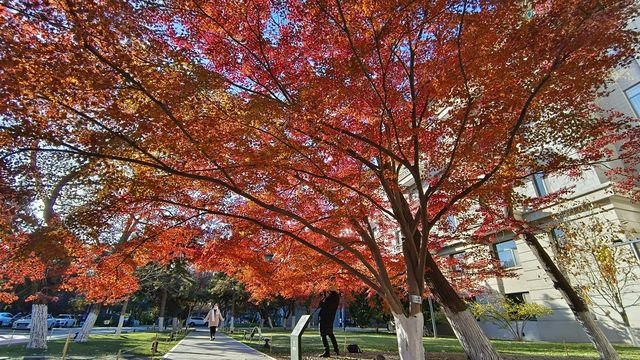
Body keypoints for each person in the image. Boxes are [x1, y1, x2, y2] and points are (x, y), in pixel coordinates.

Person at [318, 289, 340, 357]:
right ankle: (336, 350)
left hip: (325, 318)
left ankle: (327, 351)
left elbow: (325, 305)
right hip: (330, 318)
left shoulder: (331, 297)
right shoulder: (335, 297)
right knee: (330, 334)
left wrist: (322, 301)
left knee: (323, 334)